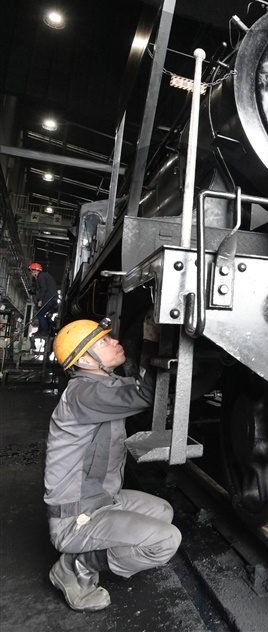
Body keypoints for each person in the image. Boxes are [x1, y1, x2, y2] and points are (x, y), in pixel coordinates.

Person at [44, 317, 181, 612]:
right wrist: (150, 341)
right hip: (75, 515)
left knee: (164, 512)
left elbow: (141, 388)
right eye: (103, 341)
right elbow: (145, 394)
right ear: (83, 358)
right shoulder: (86, 394)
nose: (115, 341)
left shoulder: (102, 384)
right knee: (166, 540)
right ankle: (75, 566)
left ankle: (84, 553)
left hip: (101, 499)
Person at [28, 262, 58, 336]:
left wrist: (40, 300)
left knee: (40, 314)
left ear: (34, 271)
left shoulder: (41, 276)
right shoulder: (45, 276)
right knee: (42, 313)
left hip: (49, 298)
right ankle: (46, 330)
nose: (31, 273)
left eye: (31, 271)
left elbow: (43, 288)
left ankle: (43, 331)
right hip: (53, 298)